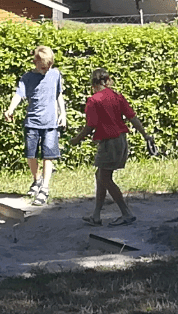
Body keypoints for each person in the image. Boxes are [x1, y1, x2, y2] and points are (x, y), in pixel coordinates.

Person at [68, 68, 156, 227]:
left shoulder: (94, 100)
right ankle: (96, 215)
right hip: (121, 140)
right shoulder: (117, 96)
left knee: (104, 178)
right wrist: (145, 135)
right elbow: (132, 117)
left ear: (93, 84)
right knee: (100, 175)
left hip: (109, 143)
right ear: (107, 81)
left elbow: (90, 125)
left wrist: (76, 140)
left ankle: (126, 213)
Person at [3, 45, 67, 206]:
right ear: (35, 63)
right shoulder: (27, 78)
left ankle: (45, 188)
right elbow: (19, 94)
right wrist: (11, 109)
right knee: (30, 154)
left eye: (49, 66)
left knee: (48, 155)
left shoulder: (55, 74)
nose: (47, 69)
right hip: (32, 122)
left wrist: (63, 114)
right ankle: (37, 179)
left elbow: (58, 94)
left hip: (50, 123)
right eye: (43, 67)